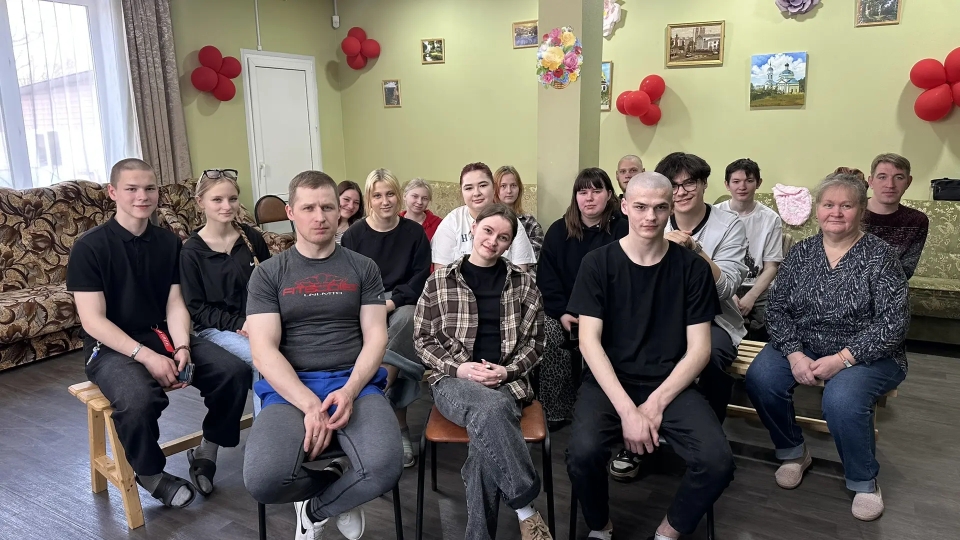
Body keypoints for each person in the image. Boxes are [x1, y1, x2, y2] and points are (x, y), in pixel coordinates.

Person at [67, 158, 251, 508]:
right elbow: (93, 321)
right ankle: (150, 473)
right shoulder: (89, 247)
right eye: (132, 189)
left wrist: (182, 346)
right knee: (138, 399)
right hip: (110, 346)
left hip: (164, 335)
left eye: (149, 188)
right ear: (113, 192)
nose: (142, 196)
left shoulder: (168, 243)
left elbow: (175, 303)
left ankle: (207, 450)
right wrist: (147, 357)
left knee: (233, 371)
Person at [565, 172, 735, 540]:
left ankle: (667, 532)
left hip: (671, 383)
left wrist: (654, 405)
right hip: (610, 382)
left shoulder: (692, 269)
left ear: (671, 210)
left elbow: (700, 349)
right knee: (582, 454)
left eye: (660, 208)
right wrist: (629, 412)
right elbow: (589, 343)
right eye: (640, 206)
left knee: (717, 461)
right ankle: (600, 526)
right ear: (624, 206)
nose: (650, 217)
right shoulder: (597, 263)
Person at [243, 171, 402, 540]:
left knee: (385, 467)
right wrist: (309, 404)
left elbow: (376, 337)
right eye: (308, 208)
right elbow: (263, 350)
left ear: (340, 211)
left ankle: (315, 510)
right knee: (264, 480)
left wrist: (349, 390)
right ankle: (334, 485)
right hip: (290, 388)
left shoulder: (363, 267)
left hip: (355, 383)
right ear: (290, 212)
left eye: (328, 207)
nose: (320, 217)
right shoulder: (269, 274)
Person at [745, 173, 908, 522]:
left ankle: (864, 482)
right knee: (761, 378)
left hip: (868, 352)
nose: (836, 212)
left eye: (846, 205)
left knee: (841, 399)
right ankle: (793, 452)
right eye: (828, 204)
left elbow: (893, 324)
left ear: (861, 210)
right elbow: (776, 309)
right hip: (804, 343)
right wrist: (794, 354)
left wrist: (842, 359)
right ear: (817, 209)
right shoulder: (801, 252)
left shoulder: (881, 256)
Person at [414, 203, 552, 540]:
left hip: (506, 380)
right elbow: (422, 339)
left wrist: (506, 372)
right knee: (493, 408)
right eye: (488, 231)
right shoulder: (439, 281)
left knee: (482, 446)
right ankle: (526, 509)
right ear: (473, 228)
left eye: (503, 237)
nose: (493, 241)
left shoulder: (524, 284)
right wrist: (459, 369)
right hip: (453, 381)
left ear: (509, 244)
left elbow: (536, 344)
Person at [609, 152, 747, 481]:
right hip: (658, 318)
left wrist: (694, 250)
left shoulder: (728, 225)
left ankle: (704, 435)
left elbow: (726, 289)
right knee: (631, 350)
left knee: (710, 355)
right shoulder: (653, 215)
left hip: (713, 319)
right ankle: (635, 438)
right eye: (675, 185)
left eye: (690, 183)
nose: (682, 191)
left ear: (704, 185)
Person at [341, 168, 430, 468]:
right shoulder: (353, 236)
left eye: (390, 193)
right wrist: (373, 305)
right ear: (369, 199)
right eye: (377, 195)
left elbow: (419, 278)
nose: (385, 201)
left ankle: (376, 394)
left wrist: (391, 303)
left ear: (398, 196)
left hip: (402, 302)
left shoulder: (414, 233)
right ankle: (397, 424)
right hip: (364, 304)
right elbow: (349, 280)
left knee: (407, 320)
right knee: (390, 344)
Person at [536, 167, 627, 426]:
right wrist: (562, 312)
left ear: (609, 194)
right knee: (548, 334)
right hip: (564, 312)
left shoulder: (623, 230)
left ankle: (606, 412)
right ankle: (555, 410)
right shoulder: (558, 230)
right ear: (575, 196)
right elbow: (547, 279)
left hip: (609, 314)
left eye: (596, 191)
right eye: (582, 192)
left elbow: (626, 282)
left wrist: (595, 317)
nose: (589, 198)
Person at [180, 169, 272, 415]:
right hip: (215, 329)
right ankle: (268, 432)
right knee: (264, 360)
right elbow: (197, 308)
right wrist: (241, 324)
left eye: (232, 199)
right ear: (200, 202)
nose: (227, 206)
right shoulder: (191, 252)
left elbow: (271, 283)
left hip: (260, 323)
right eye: (217, 200)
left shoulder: (251, 238)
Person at [716, 159, 783, 340]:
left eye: (749, 181)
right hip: (724, 284)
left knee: (774, 324)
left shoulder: (771, 219)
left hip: (759, 288)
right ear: (727, 185)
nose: (742, 187)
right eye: (736, 181)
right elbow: (710, 262)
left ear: (758, 183)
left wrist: (751, 296)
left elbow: (771, 267)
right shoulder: (715, 214)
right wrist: (729, 293)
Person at [432, 162, 537, 271]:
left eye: (483, 185)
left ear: (494, 188)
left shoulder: (510, 221)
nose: (476, 193)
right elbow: (441, 273)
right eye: (468, 188)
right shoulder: (451, 222)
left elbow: (520, 271)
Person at [864, 153, 929, 279]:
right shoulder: (848, 212)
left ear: (908, 182)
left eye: (899, 177)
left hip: (890, 288)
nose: (890, 185)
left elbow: (906, 270)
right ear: (871, 181)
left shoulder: (916, 221)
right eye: (882, 177)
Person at [495, 165, 544, 259]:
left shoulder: (529, 222)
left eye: (513, 185)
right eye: (503, 186)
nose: (509, 191)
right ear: (495, 189)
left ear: (519, 189)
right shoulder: (486, 219)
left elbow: (534, 257)